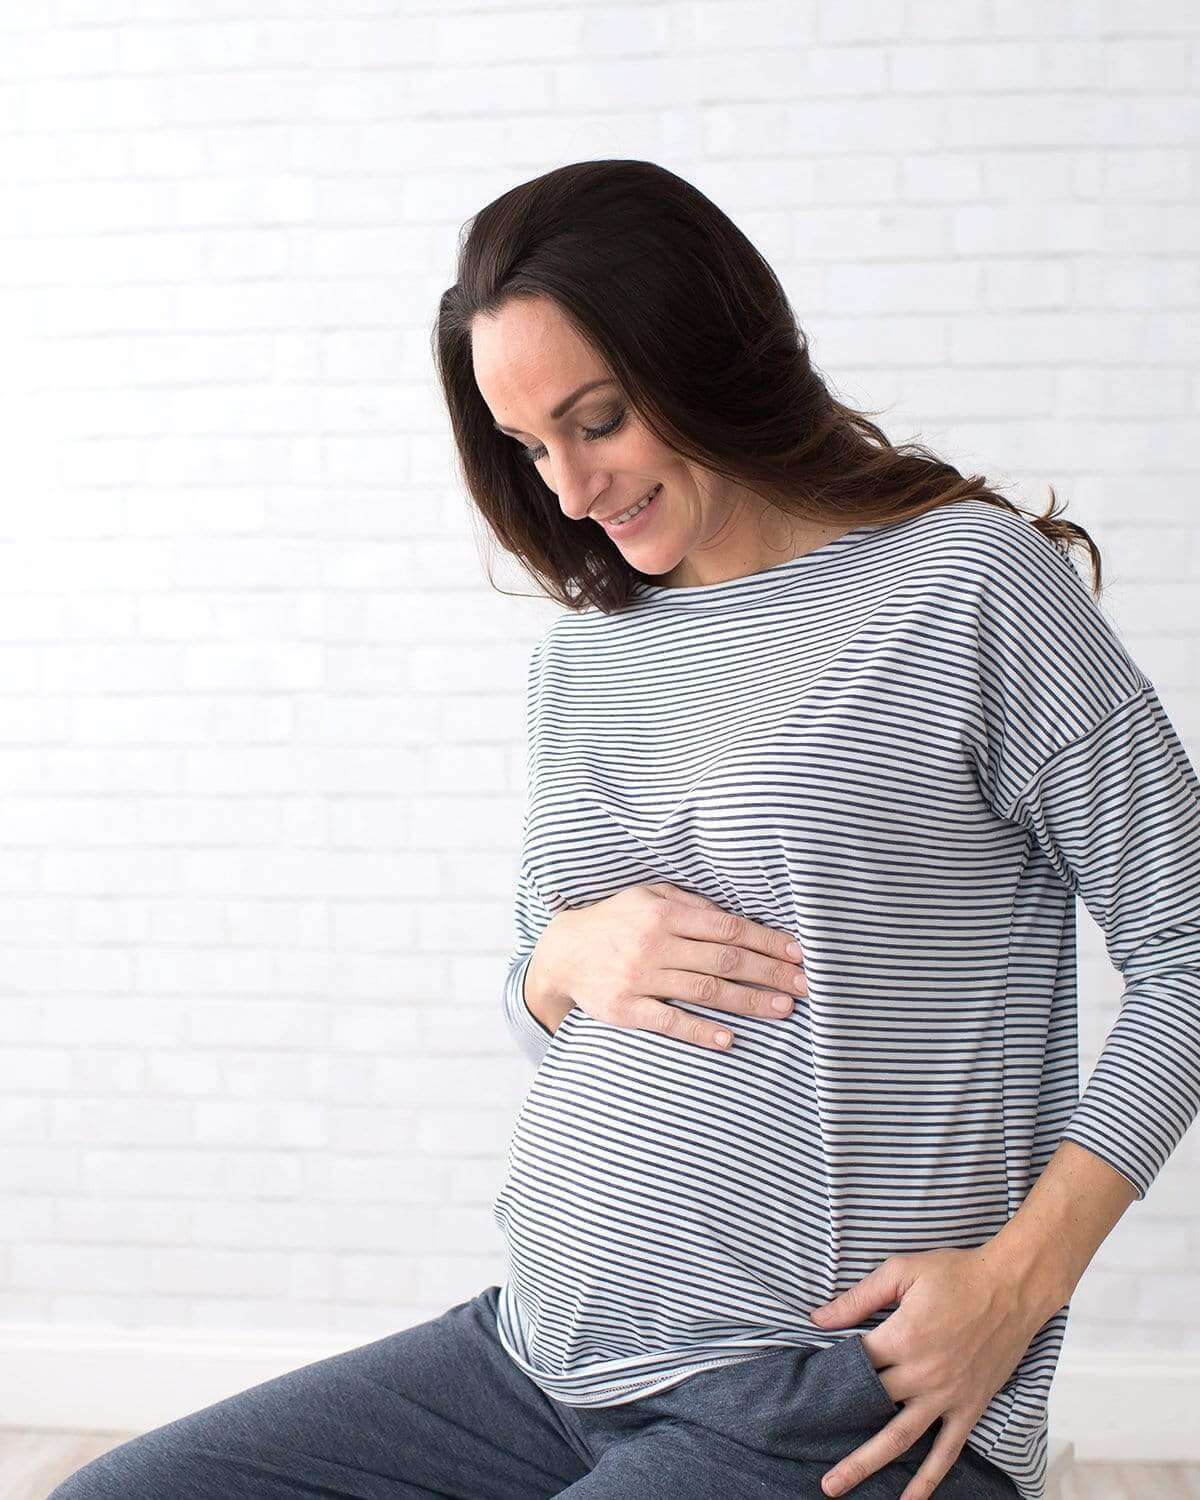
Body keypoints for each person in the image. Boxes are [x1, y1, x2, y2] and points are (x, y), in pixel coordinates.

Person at [53, 160, 1200, 1500]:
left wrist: (1017, 1286)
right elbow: (549, 995)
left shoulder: (964, 589)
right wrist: (556, 964)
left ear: (705, 357)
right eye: (531, 450)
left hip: (822, 1390)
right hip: (535, 1358)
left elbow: (1188, 949)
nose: (572, 487)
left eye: (596, 421)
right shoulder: (587, 658)